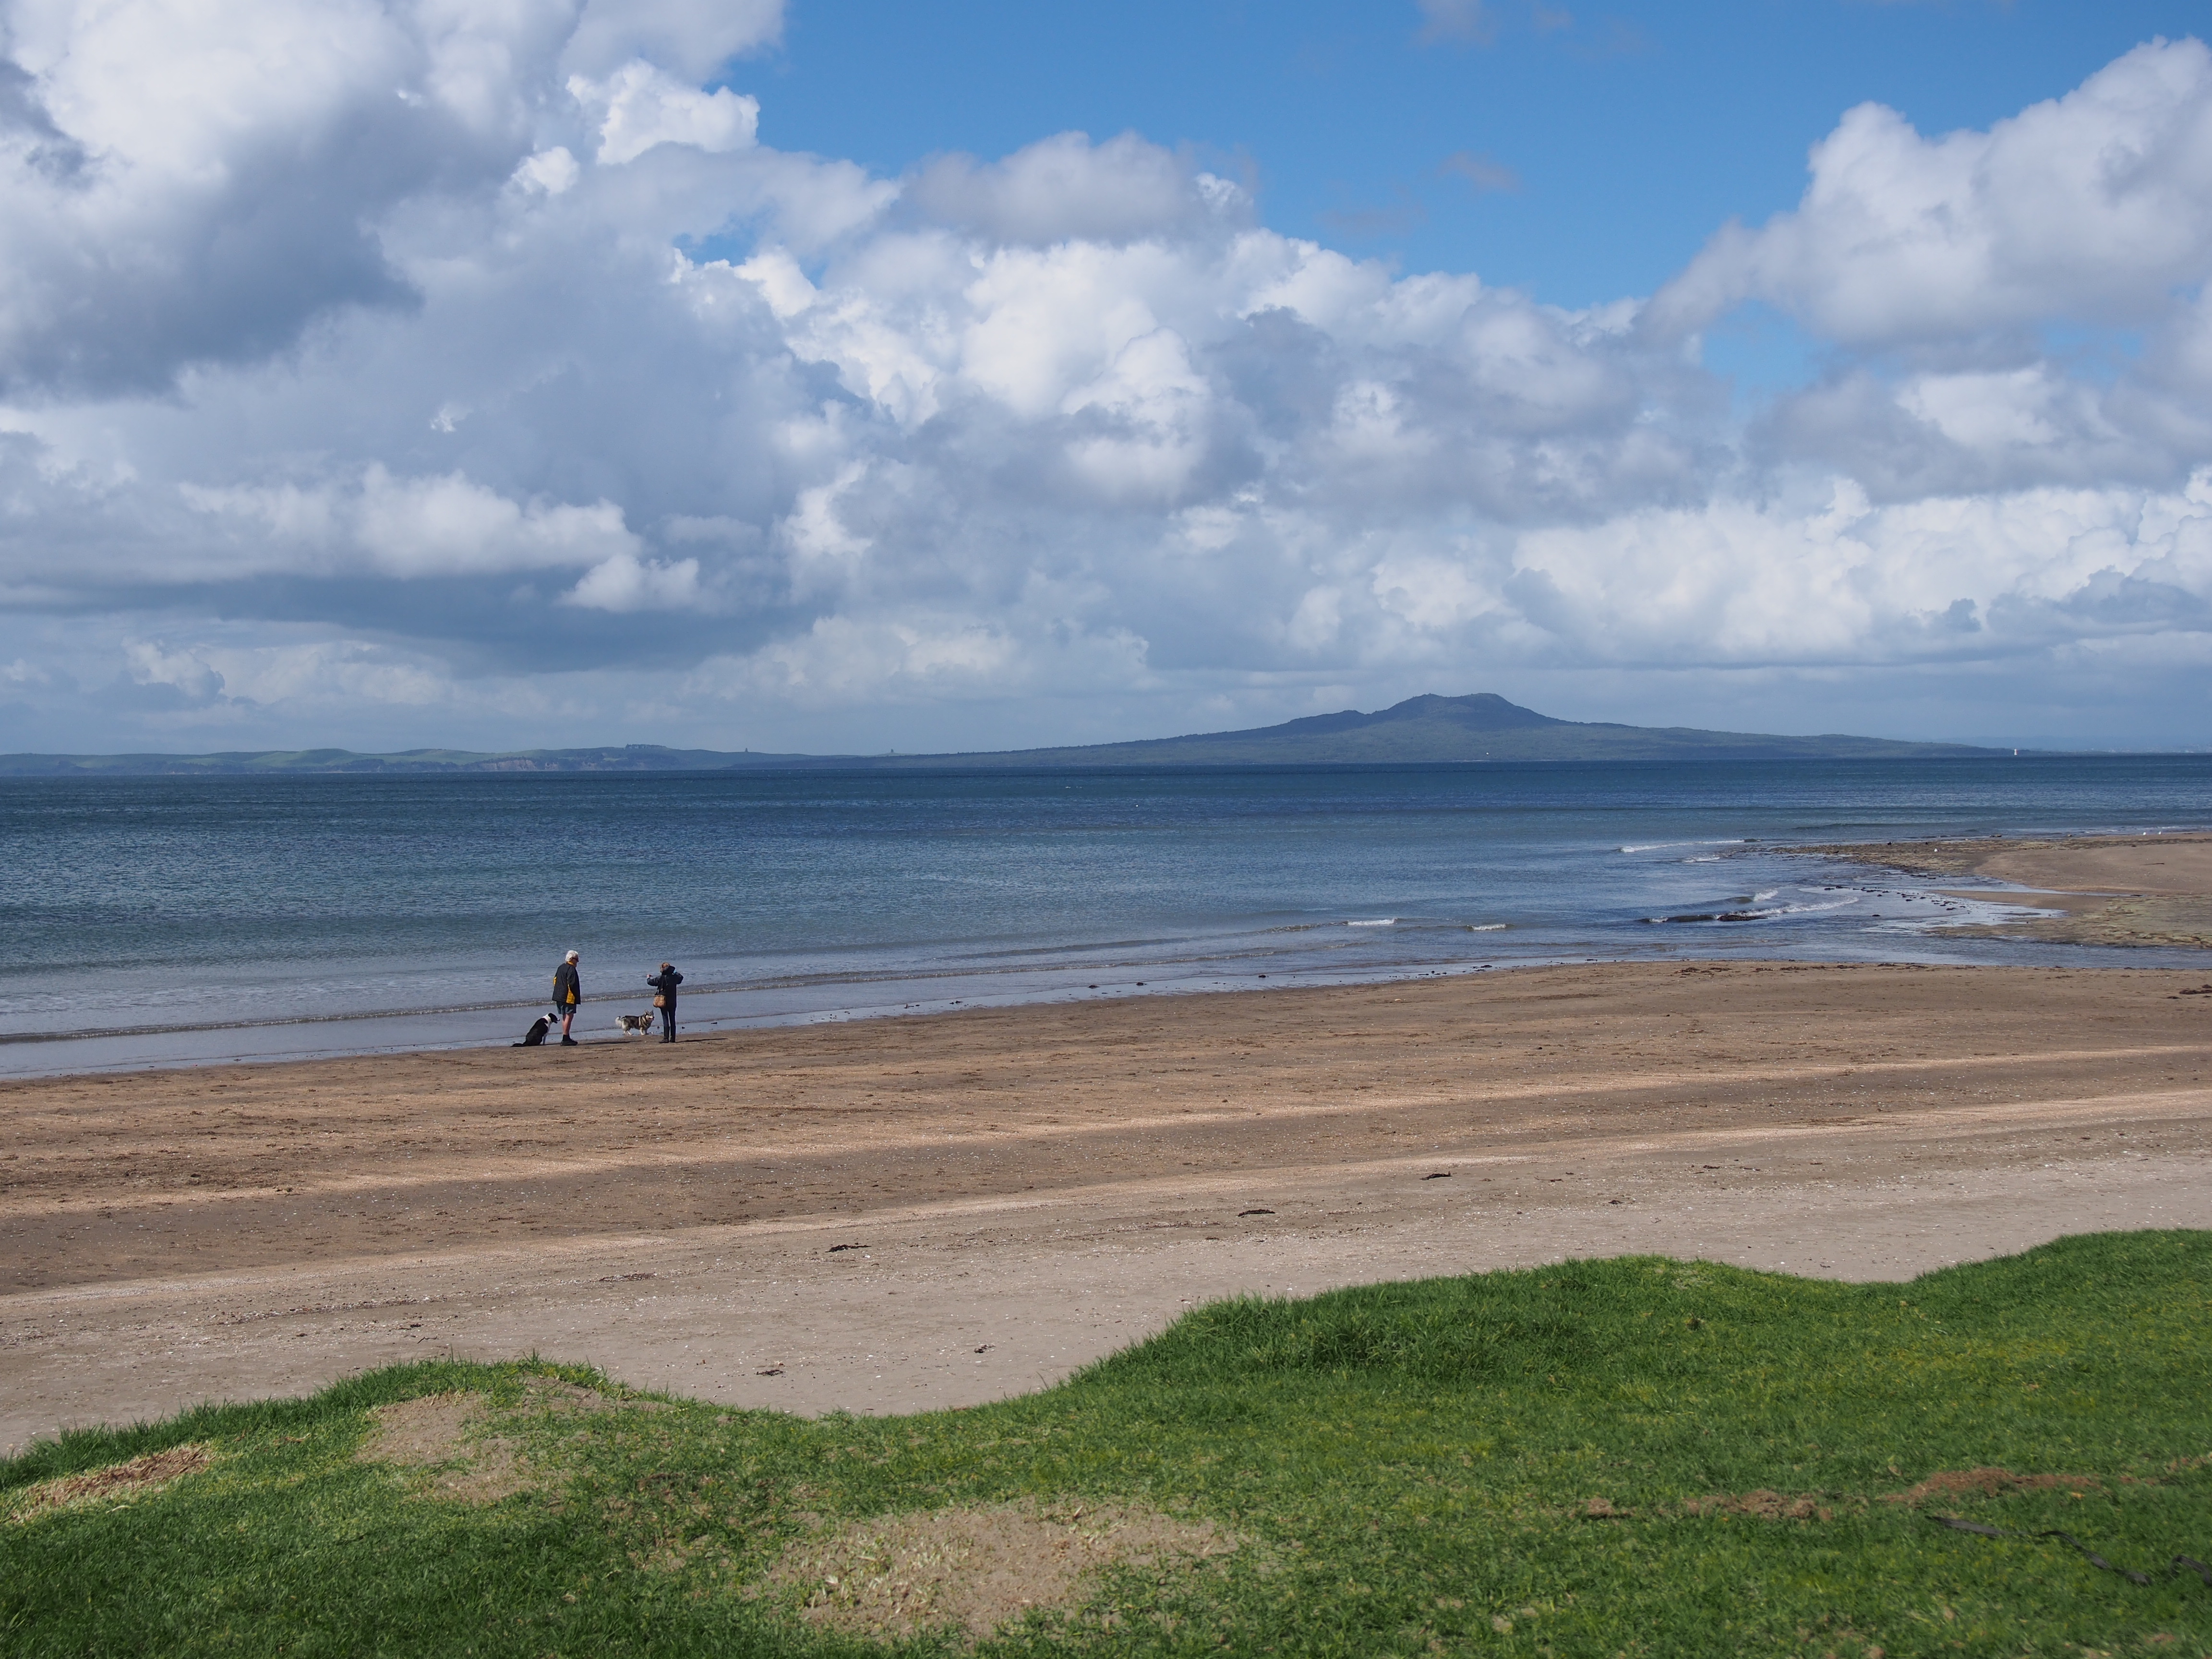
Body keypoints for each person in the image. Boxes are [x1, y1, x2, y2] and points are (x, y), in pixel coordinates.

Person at [645, 962, 683, 1043]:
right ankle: (673, 1038)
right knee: (672, 1019)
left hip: (664, 1001)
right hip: (673, 1001)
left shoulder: (661, 978)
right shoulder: (674, 977)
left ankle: (666, 1038)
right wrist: (675, 972)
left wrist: (648, 977)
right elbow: (681, 978)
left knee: (665, 1018)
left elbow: (650, 982)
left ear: (663, 969)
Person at [553, 950, 582, 1045]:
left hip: (558, 996)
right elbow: (572, 984)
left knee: (565, 1016)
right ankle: (565, 1038)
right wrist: (576, 996)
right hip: (568, 996)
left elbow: (555, 981)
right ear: (572, 959)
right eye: (577, 959)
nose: (578, 962)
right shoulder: (571, 969)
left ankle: (566, 1036)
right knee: (569, 1016)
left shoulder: (561, 967)